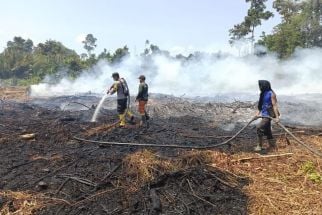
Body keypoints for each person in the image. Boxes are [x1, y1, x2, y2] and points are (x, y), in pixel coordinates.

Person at [255, 80, 280, 153]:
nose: (260, 87)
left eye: (260, 85)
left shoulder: (271, 94)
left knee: (259, 127)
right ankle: (272, 146)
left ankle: (259, 146)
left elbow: (274, 106)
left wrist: (277, 118)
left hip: (268, 115)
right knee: (268, 130)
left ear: (264, 85)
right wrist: (257, 114)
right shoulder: (262, 93)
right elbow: (260, 105)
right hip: (264, 114)